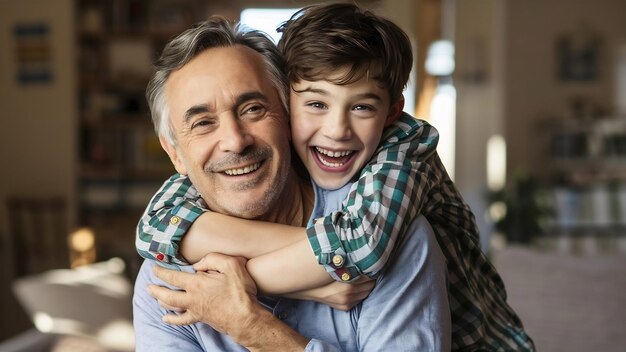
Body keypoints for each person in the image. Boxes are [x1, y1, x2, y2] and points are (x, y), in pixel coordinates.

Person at [136, 3, 534, 351]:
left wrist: (247, 318)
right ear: (175, 153)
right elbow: (155, 225)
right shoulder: (166, 280)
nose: (235, 141)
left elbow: (362, 244)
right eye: (203, 123)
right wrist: (309, 279)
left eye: (253, 109)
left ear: (284, 114)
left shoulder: (397, 226)